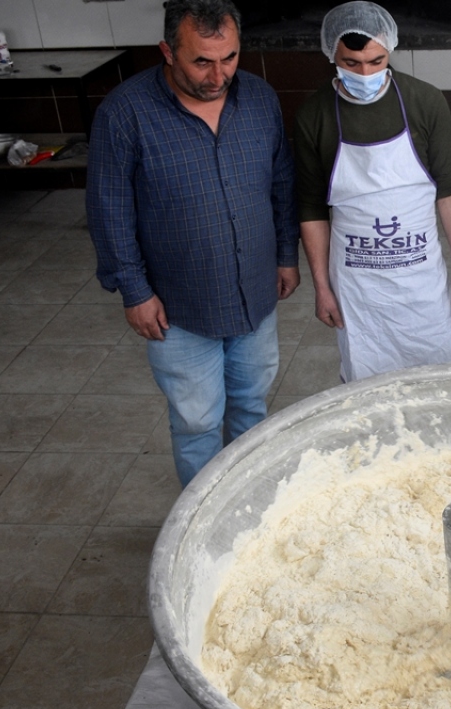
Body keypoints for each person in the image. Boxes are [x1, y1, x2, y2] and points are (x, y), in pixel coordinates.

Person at [87, 0, 299, 486]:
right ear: (167, 51)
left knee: (251, 409)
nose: (217, 74)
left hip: (255, 295)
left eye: (229, 58)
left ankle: (252, 512)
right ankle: (203, 529)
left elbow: (282, 184)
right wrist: (135, 292)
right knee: (198, 421)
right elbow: (109, 209)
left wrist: (286, 255)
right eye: (202, 60)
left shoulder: (260, 100)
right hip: (179, 306)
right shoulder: (126, 114)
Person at [295, 1, 451, 384]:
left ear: (390, 50)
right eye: (351, 64)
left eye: (376, 62)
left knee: (442, 379)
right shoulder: (315, 115)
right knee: (367, 391)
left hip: (421, 280)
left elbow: (449, 188)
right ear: (332, 54)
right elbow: (311, 208)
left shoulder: (425, 102)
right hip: (359, 289)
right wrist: (322, 288)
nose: (365, 73)